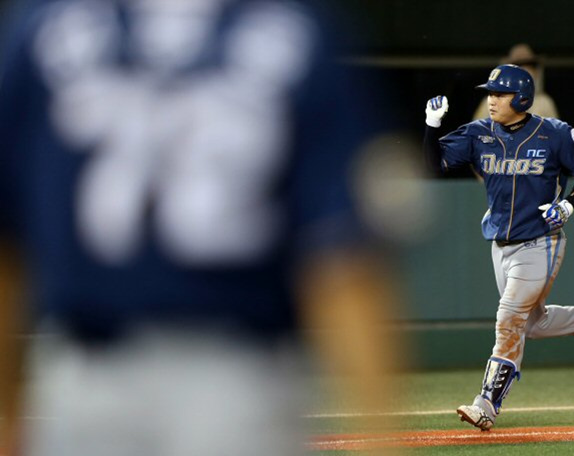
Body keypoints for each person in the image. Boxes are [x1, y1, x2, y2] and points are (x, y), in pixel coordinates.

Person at [0, 0, 407, 454]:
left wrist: (7, 414)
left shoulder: (43, 26)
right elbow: (341, 254)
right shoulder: (295, 31)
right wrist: (380, 436)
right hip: (238, 383)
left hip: (90, 378)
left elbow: (8, 248)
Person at [423, 63, 574, 431]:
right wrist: (432, 127)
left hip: (541, 242)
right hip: (501, 244)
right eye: (490, 93)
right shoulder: (479, 133)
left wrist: (568, 204)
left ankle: (487, 405)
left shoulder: (554, 133)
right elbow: (434, 164)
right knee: (533, 323)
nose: (492, 99)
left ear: (523, 97)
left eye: (499, 93)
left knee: (509, 320)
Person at [472, 44, 559, 120]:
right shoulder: (491, 102)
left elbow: (555, 135)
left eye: (530, 65)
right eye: (518, 65)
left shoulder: (545, 102)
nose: (526, 70)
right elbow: (477, 134)